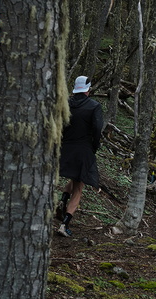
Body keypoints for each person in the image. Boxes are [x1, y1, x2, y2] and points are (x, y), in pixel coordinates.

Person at [56, 76, 104, 237]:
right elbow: (97, 129)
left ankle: (63, 199)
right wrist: (94, 146)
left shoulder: (66, 104)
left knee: (75, 177)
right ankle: (64, 225)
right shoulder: (94, 106)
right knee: (79, 187)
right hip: (83, 149)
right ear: (88, 89)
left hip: (65, 147)